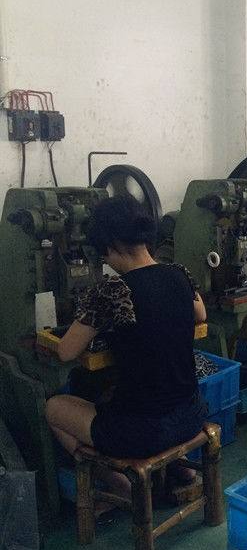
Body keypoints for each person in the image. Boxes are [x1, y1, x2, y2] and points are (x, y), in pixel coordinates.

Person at [44, 195, 208, 506]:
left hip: (143, 433)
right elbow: (200, 315)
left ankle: (126, 488)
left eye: (104, 254)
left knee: (53, 407)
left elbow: (66, 352)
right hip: (191, 414)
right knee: (126, 392)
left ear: (112, 244)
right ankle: (183, 470)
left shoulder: (113, 290)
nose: (106, 261)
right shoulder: (179, 273)